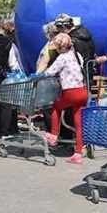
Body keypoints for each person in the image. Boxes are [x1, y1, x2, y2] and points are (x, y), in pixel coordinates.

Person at [39, 33, 87, 165]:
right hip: (82, 91)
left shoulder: (62, 58)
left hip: (70, 92)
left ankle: (54, 135)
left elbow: (50, 72)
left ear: (60, 47)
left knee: (56, 106)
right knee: (78, 124)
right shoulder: (77, 55)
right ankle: (78, 153)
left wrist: (38, 76)